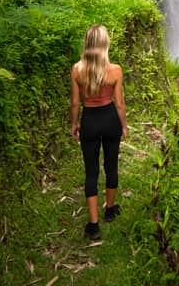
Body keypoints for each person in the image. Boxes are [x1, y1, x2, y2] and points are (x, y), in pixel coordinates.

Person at [70, 24, 128, 241]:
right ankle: (110, 210)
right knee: (111, 165)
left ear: (87, 44)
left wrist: (74, 124)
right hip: (110, 119)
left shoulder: (77, 70)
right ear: (105, 44)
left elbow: (75, 103)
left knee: (91, 171)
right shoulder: (115, 70)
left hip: (90, 121)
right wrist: (124, 125)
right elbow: (119, 103)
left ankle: (93, 225)